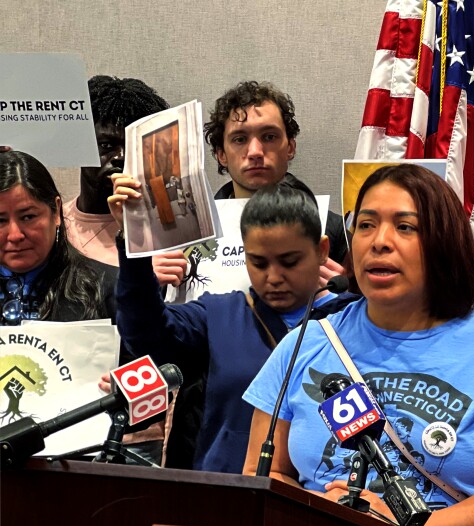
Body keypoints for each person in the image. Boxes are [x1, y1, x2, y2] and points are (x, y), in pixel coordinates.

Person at [242, 164, 474, 526]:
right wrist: (320, 519)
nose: (379, 241)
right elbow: (264, 470)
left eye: (405, 227)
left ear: (443, 242)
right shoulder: (306, 342)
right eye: (366, 225)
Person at [108, 176, 358, 473]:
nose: (274, 276)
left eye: (289, 261)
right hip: (225, 495)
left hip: (325, 498)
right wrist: (134, 245)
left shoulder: (353, 321)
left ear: (322, 250)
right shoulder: (221, 314)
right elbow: (145, 335)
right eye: (259, 262)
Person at [204, 80, 348, 270]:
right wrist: (155, 283)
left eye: (269, 137)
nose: (255, 151)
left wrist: (342, 297)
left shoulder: (335, 230)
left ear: (290, 147)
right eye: (240, 139)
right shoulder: (192, 235)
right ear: (221, 154)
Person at [64, 75, 170, 268]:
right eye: (106, 145)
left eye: (133, 147)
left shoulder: (167, 232)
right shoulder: (53, 225)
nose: (120, 156)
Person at [1, 150, 116, 325]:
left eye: (28, 217)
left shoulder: (110, 288)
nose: (15, 235)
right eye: (0, 220)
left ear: (56, 211)